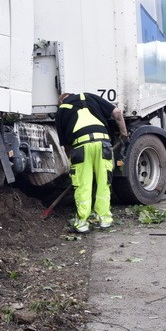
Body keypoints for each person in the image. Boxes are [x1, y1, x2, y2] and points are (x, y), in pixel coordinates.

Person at [55, 92, 129, 233]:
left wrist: (73, 164)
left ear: (61, 102)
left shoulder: (61, 111)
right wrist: (123, 133)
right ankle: (105, 220)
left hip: (81, 146)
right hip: (103, 144)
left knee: (83, 185)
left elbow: (66, 146)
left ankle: (82, 223)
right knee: (103, 182)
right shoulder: (89, 97)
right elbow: (117, 113)